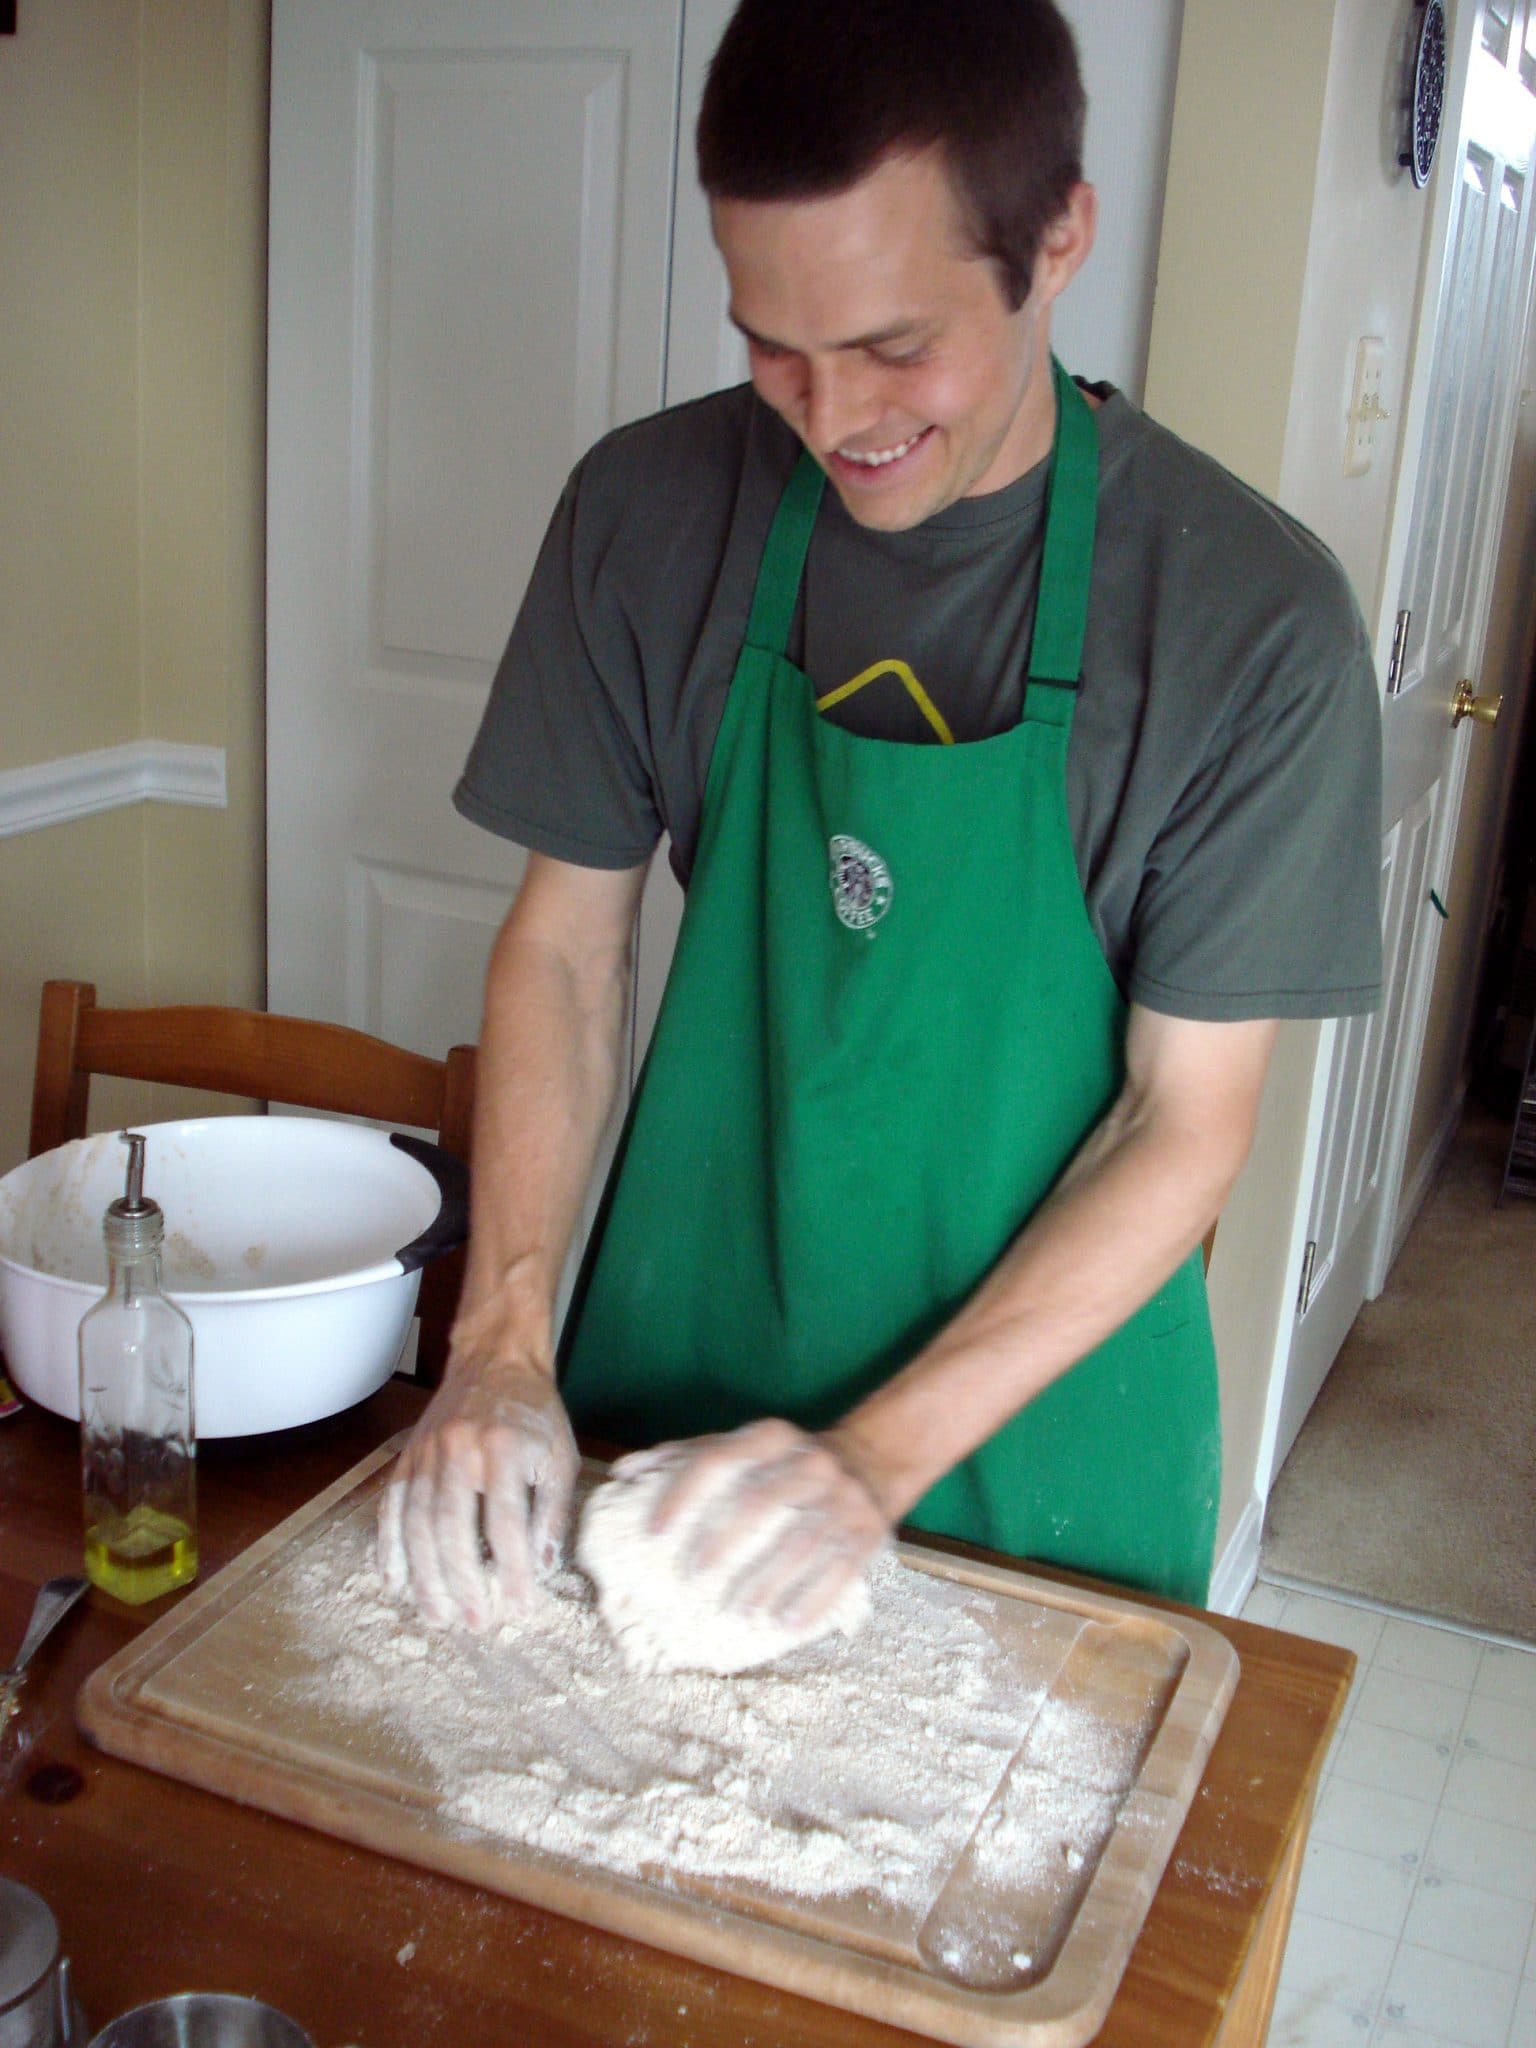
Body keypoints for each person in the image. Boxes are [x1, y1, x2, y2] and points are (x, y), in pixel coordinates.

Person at [378, 0, 1381, 1638]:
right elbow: (566, 948)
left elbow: (1181, 1121)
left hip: (1045, 1470)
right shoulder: (644, 515)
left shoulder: (1247, 624)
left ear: (1060, 241)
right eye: (772, 341)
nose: (831, 413)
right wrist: (501, 1346)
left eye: (897, 345)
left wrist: (867, 1462)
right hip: (667, 1421)